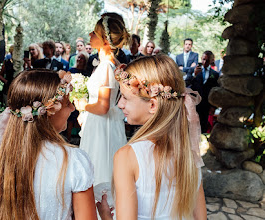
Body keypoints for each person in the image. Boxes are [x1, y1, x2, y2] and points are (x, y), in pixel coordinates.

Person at [97, 55, 207, 220]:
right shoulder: (188, 153)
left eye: (125, 97)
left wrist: (106, 216)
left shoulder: (127, 156)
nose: (119, 104)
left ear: (153, 105)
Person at [0, 69, 97, 219]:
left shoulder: (3, 154)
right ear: (49, 111)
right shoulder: (73, 160)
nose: (73, 108)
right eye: (68, 103)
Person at [78, 15, 130, 185]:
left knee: (99, 170)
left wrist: (82, 105)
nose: (90, 34)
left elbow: (102, 107)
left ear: (105, 40)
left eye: (94, 32)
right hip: (100, 125)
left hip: (102, 128)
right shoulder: (109, 63)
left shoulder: (107, 67)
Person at [191, 50, 219, 133]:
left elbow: (216, 91)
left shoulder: (215, 74)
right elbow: (189, 85)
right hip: (195, 103)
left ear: (211, 60)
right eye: (203, 59)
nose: (205, 62)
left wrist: (213, 106)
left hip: (207, 105)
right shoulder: (195, 70)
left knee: (204, 126)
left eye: (207, 60)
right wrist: (194, 75)